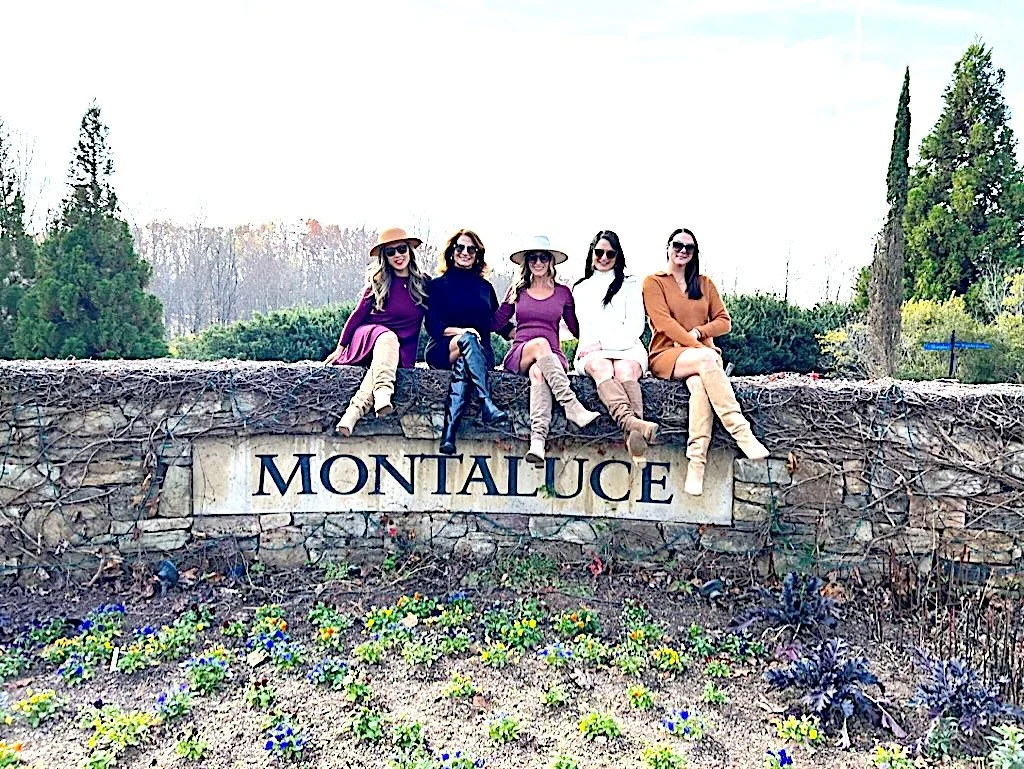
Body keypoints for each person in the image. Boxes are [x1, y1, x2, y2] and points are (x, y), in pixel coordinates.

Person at [642, 227, 768, 495]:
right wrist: (699, 347)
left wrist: (699, 333)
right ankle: (741, 432)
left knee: (700, 387)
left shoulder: (705, 283)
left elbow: (724, 322)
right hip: (667, 355)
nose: (683, 251)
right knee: (708, 362)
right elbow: (663, 323)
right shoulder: (654, 282)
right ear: (668, 247)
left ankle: (696, 464)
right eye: (678, 245)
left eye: (689, 248)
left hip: (700, 359)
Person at [494, 235, 599, 466]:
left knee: (538, 373)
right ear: (527, 262)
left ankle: (538, 442)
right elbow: (495, 322)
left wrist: (597, 344)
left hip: (552, 357)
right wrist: (510, 332)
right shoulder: (517, 290)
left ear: (551, 261)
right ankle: (571, 406)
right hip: (520, 352)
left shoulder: (563, 293)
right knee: (540, 343)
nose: (538, 262)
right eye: (533, 258)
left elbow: (576, 328)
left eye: (543, 257)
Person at [327, 227, 428, 436]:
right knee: (387, 338)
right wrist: (340, 347)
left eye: (401, 249)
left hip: (399, 350)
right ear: (385, 257)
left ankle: (353, 412)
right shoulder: (379, 282)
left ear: (410, 250)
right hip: (370, 337)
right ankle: (383, 393)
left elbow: (438, 317)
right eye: (391, 252)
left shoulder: (423, 283)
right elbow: (357, 316)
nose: (398, 256)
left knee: (385, 356)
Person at [572, 230, 658, 467]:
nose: (604, 257)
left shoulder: (630, 285)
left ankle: (635, 437)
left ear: (618, 256)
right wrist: (596, 347)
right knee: (601, 369)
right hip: (593, 351)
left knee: (625, 372)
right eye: (599, 252)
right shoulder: (580, 289)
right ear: (591, 253)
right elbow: (584, 328)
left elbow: (635, 326)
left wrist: (604, 343)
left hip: (627, 347)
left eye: (610, 253)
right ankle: (635, 425)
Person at [424, 229, 508, 455]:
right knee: (467, 341)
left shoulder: (485, 288)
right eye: (460, 247)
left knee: (465, 362)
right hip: (444, 348)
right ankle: (486, 402)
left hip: (480, 354)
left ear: (478, 254)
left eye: (471, 249)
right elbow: (433, 327)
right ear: (451, 252)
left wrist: (528, 333)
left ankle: (449, 435)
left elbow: (495, 323)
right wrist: (463, 332)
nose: (465, 252)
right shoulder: (437, 285)